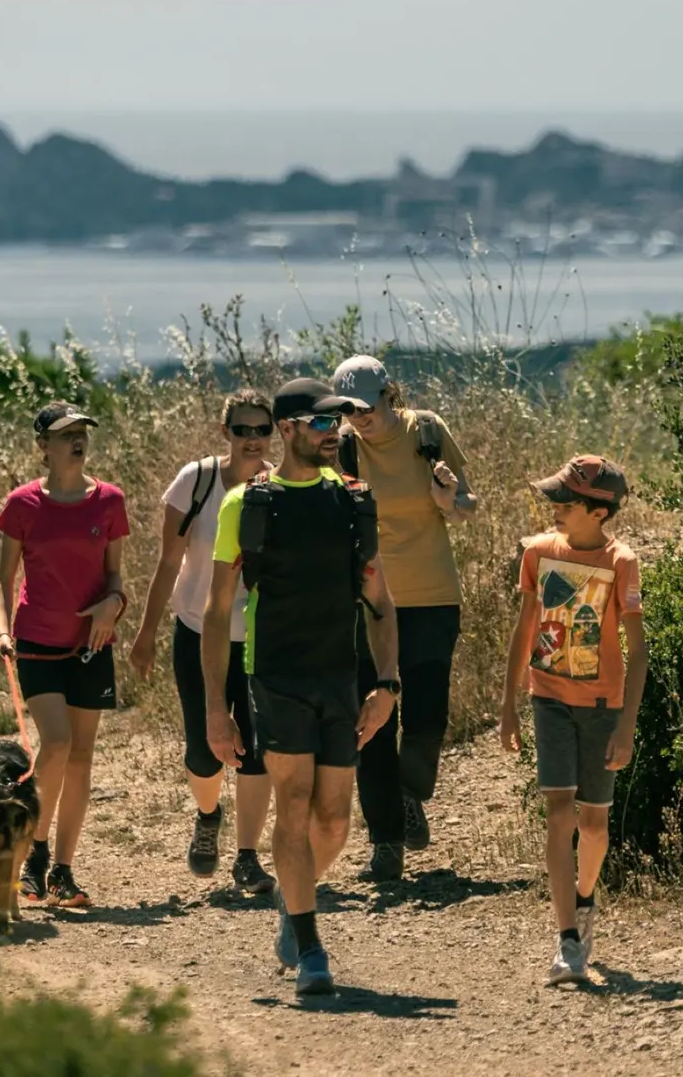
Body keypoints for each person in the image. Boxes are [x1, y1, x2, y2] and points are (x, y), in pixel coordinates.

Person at [202, 377, 400, 997]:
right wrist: (215, 709)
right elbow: (216, 612)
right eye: (319, 422)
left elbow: (380, 601)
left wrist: (387, 684)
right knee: (293, 801)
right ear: (286, 430)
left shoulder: (354, 502)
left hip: (339, 675)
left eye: (335, 422)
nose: (332, 432)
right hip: (275, 675)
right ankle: (312, 949)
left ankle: (293, 902)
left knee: (335, 821)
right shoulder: (247, 506)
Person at [499, 456, 647, 985]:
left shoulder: (621, 562)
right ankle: (567, 941)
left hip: (603, 707)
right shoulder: (538, 553)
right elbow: (524, 629)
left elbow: (638, 652)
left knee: (593, 825)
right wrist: (509, 705)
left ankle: (585, 899)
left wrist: (627, 726)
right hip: (550, 701)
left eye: (565, 501)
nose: (555, 509)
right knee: (559, 814)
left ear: (598, 511)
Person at [331, 354, 478, 882]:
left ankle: (411, 793)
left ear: (389, 395)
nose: (359, 418)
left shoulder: (428, 432)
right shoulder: (342, 448)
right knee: (370, 723)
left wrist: (448, 500)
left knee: (427, 718)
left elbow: (469, 505)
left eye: (366, 407)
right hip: (367, 604)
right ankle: (386, 843)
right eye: (349, 410)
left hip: (432, 595)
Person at [129, 389, 276, 892]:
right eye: (243, 429)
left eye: (262, 429)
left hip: (257, 638)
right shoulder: (195, 482)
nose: (253, 439)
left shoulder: (278, 488)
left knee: (257, 747)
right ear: (225, 432)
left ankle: (248, 856)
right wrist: (146, 633)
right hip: (196, 630)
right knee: (203, 751)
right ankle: (209, 815)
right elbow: (168, 563)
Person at [0, 402, 130, 908]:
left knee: (82, 756)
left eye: (82, 433)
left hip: (91, 645)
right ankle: (35, 849)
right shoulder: (22, 504)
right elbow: (2, 582)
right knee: (56, 743)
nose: (77, 441)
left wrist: (113, 605)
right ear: (43, 446)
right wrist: (1, 631)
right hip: (36, 642)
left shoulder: (110, 501)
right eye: (66, 433)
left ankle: (63, 872)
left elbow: (115, 578)